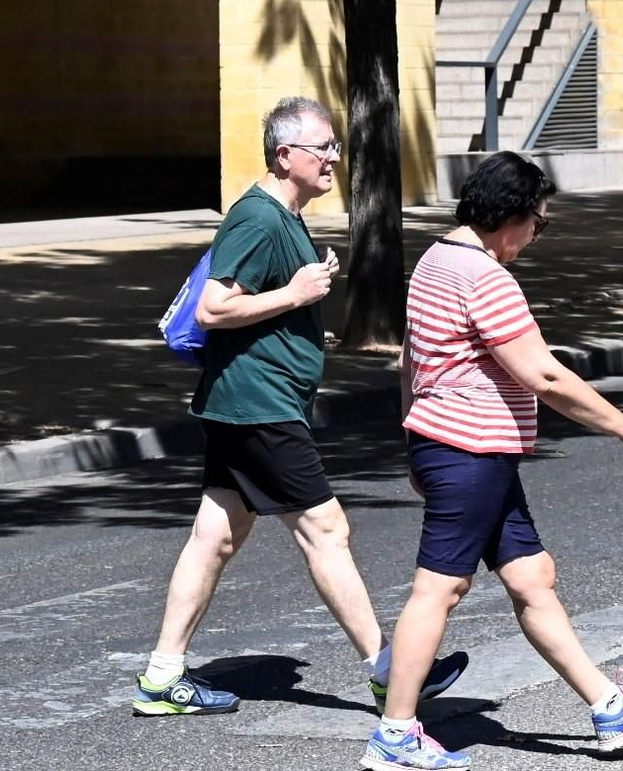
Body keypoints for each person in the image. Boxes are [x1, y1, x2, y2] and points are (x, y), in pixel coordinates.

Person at [134, 96, 467, 717]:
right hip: (258, 406)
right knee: (326, 530)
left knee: (214, 536)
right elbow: (213, 308)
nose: (334, 158)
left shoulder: (284, 216)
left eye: (336, 146)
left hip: (248, 402)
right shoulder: (257, 219)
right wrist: (296, 293)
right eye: (324, 148)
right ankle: (390, 672)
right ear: (285, 155)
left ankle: (161, 676)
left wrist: (305, 293)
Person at [360, 151, 623, 770]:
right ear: (510, 216)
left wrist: (413, 438)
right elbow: (544, 375)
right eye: (538, 222)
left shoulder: (434, 260)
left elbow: (410, 363)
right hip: (470, 451)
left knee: (533, 576)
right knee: (439, 590)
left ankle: (609, 705)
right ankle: (396, 734)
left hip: (455, 447)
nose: (536, 234)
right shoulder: (485, 278)